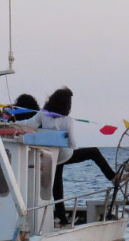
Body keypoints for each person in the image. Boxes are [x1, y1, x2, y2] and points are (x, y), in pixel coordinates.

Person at [20, 87, 118, 224]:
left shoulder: (43, 114)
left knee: (57, 186)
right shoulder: (67, 120)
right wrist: (75, 149)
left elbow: (29, 124)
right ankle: (113, 177)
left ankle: (62, 217)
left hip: (50, 156)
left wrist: (8, 123)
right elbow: (72, 142)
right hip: (64, 155)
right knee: (93, 152)